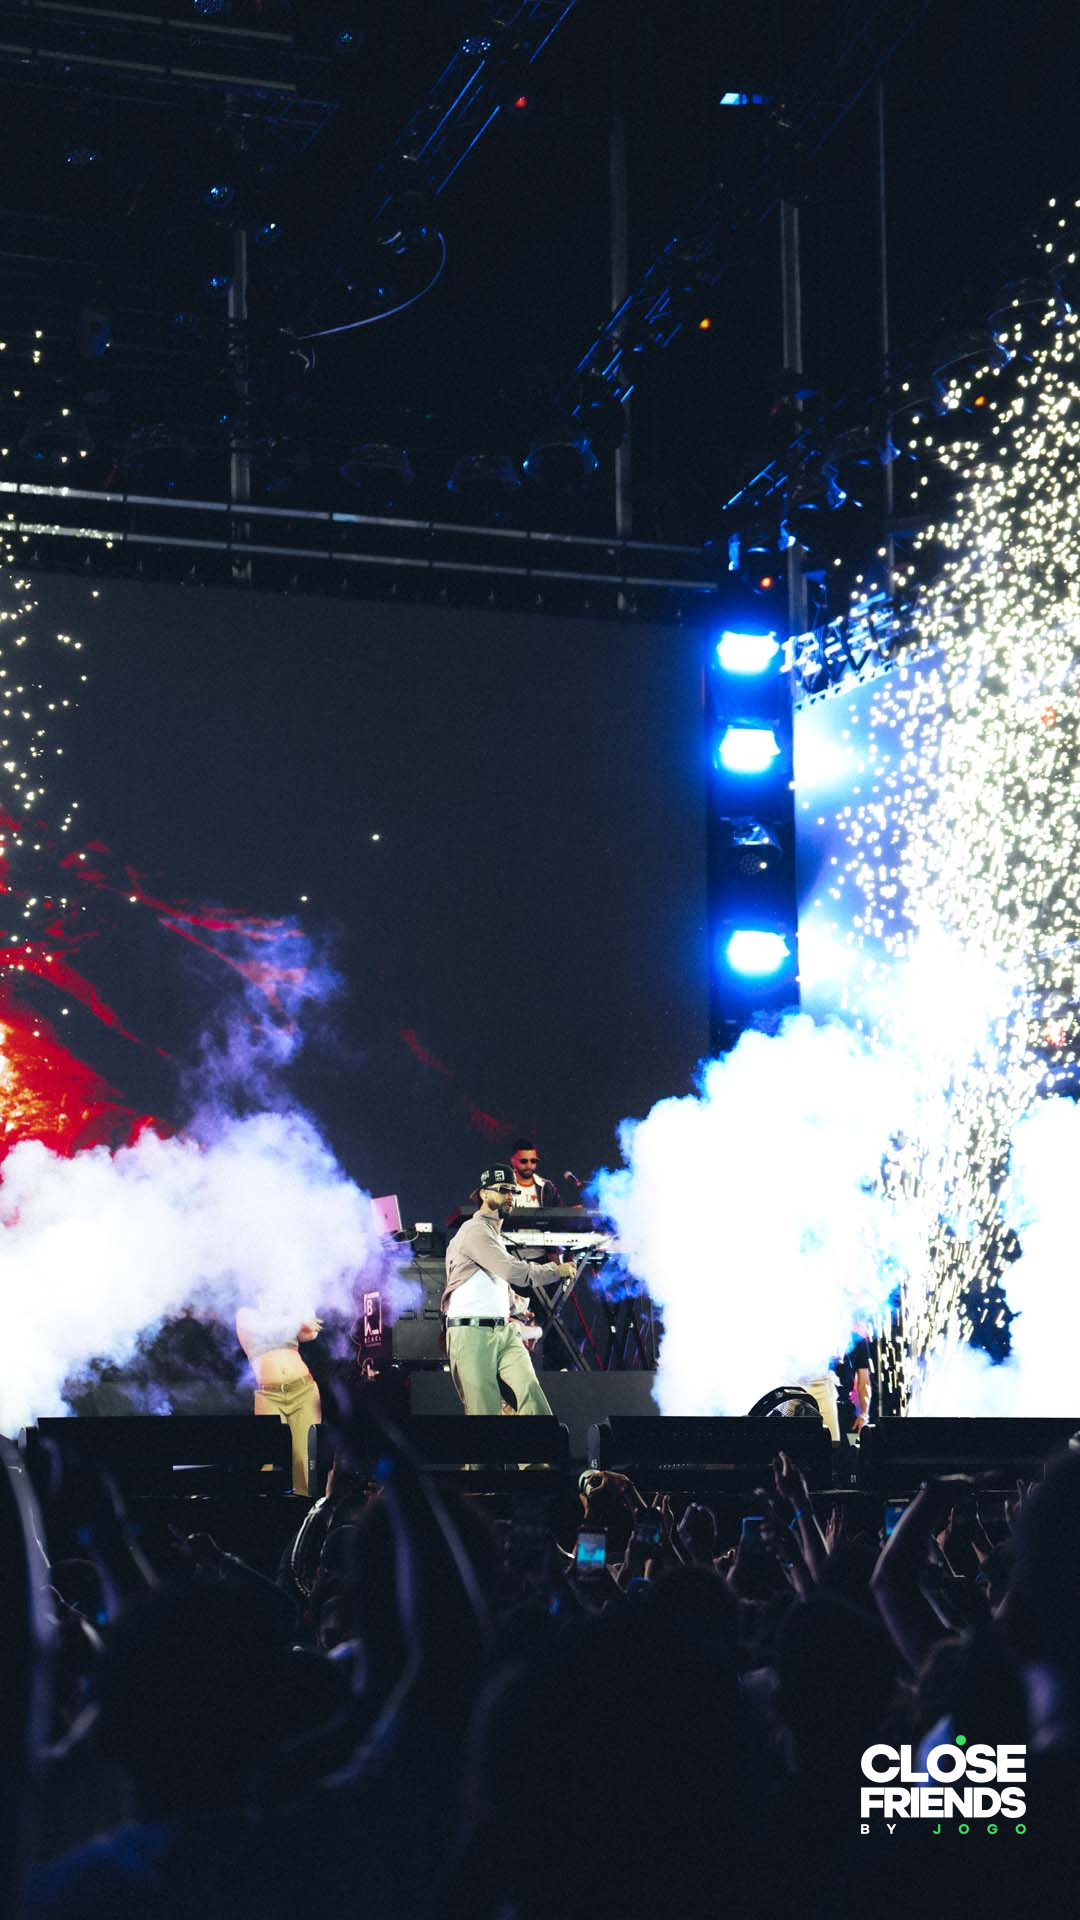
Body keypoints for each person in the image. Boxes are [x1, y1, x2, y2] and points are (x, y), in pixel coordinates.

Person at [441, 1165, 574, 1415]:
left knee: (532, 1396)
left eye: (513, 1191)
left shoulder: (494, 1235)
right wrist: (556, 1270)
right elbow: (513, 1271)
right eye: (503, 1190)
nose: (510, 1196)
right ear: (484, 1194)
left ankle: (541, 1443)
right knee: (486, 1412)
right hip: (471, 1333)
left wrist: (517, 1307)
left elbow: (492, 1281)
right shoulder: (474, 1230)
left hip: (503, 1331)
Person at [235, 1304, 322, 1494]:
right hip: (268, 1396)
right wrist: (297, 1319)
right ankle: (266, 1508)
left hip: (303, 1391)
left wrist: (304, 1306)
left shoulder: (286, 1311)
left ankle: (306, 1509)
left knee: (305, 1460)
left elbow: (311, 1333)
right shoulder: (246, 1314)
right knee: (268, 1458)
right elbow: (267, 1329)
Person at [508, 1138, 560, 1209]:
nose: (529, 1166)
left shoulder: (547, 1187)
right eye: (524, 1161)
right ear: (513, 1161)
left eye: (533, 1161)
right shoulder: (501, 1186)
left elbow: (559, 1213)